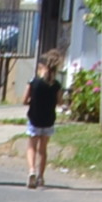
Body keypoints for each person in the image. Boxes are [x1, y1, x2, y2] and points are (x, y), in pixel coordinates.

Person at [23, 53, 64, 187]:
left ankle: (31, 171)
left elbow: (24, 100)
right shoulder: (56, 85)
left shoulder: (33, 82)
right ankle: (41, 176)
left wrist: (31, 100)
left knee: (31, 147)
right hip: (49, 120)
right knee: (43, 149)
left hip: (34, 118)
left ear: (42, 67)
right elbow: (59, 102)